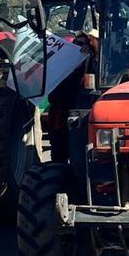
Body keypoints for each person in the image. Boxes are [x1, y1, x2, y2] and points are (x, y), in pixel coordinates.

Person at [47, 28, 98, 164]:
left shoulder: (93, 62)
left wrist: (91, 54)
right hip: (61, 108)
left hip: (81, 109)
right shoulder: (63, 61)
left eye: (83, 44)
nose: (78, 47)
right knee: (59, 151)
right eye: (76, 43)